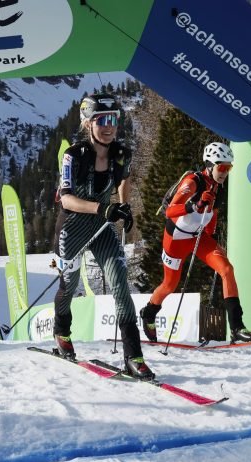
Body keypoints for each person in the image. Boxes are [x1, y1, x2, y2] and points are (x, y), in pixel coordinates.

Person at [52, 92, 153, 380]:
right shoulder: (73, 155)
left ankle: (133, 356)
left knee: (120, 283)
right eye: (102, 121)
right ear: (88, 123)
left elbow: (124, 179)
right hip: (72, 228)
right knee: (69, 287)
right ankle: (61, 331)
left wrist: (124, 205)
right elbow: (66, 199)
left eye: (114, 120)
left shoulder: (121, 154)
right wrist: (103, 208)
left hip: (101, 228)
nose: (109, 127)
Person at [139, 142, 251, 344]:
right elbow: (170, 211)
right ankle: (149, 313)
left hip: (198, 237)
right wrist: (194, 206)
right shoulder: (192, 182)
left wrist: (210, 236)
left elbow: (213, 212)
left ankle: (237, 327)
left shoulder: (219, 187)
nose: (225, 172)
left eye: (229, 168)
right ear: (210, 165)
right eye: (222, 167)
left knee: (227, 270)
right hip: (176, 239)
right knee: (170, 284)